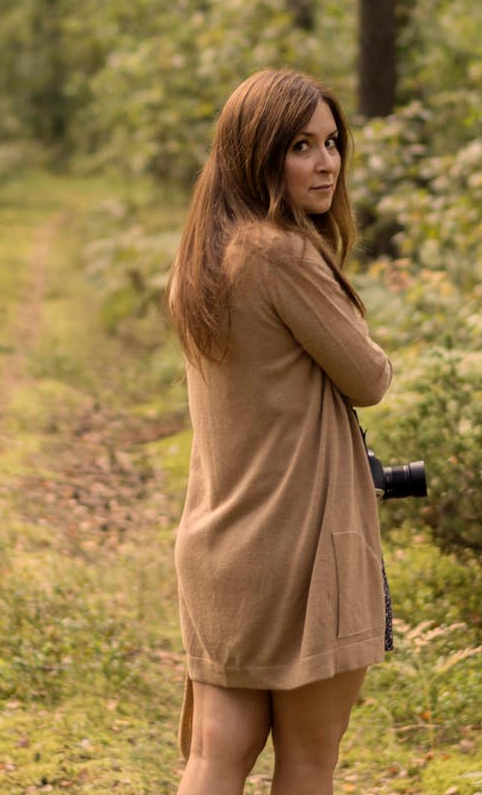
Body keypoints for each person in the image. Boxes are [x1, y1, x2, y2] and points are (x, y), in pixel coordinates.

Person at [166, 68, 394, 795]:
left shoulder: (207, 256)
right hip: (301, 548)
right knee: (307, 761)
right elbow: (369, 377)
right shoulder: (281, 253)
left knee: (215, 755)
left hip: (221, 544)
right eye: (301, 146)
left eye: (331, 143)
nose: (326, 163)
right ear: (258, 155)